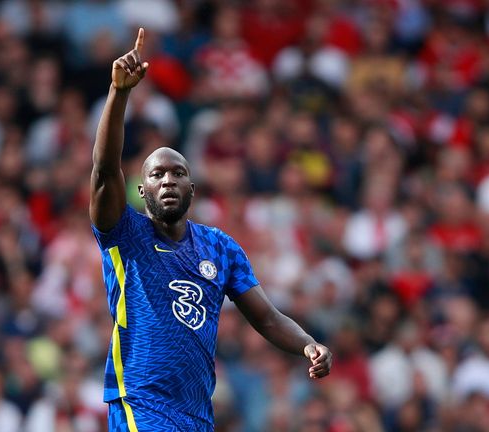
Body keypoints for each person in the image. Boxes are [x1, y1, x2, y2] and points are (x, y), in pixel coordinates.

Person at [89, 28, 332, 431]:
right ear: (140, 190)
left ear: (193, 188)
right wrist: (120, 94)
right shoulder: (126, 234)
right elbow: (103, 170)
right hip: (140, 404)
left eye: (178, 173)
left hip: (197, 414)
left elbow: (268, 319)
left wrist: (308, 344)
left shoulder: (219, 248)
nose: (168, 180)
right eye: (157, 175)